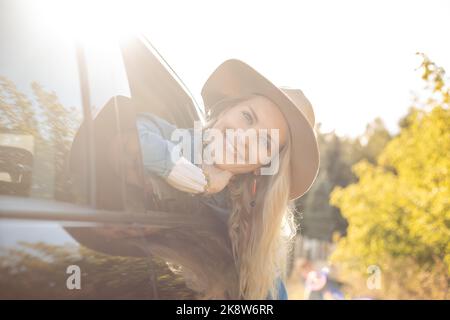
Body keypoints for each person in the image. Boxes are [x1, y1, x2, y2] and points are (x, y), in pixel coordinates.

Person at [119, 59, 320, 299]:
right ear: (226, 110)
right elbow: (125, 141)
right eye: (247, 117)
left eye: (265, 141)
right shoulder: (170, 136)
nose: (245, 138)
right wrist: (189, 173)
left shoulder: (252, 230)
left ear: (264, 165)